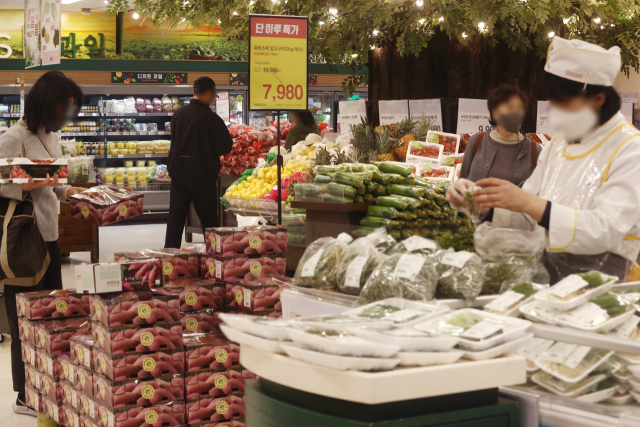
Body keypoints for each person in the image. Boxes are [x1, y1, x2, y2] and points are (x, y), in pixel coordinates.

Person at [448, 37, 640, 284]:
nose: (553, 110)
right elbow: (530, 215)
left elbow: (604, 229)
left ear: (598, 99)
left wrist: (529, 203)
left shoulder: (630, 148)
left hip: (603, 282)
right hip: (544, 273)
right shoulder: (558, 144)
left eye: (562, 101)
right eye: (551, 101)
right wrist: (481, 203)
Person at [0, 70, 85, 416]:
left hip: (49, 238)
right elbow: (2, 184)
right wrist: (28, 186)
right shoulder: (13, 137)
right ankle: (24, 394)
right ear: (47, 104)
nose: (67, 115)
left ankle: (47, 385)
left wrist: (72, 192)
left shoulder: (52, 136)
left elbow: (54, 183)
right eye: (65, 108)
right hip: (23, 241)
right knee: (24, 320)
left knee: (51, 317)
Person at [165, 77, 233, 248]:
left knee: (175, 217)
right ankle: (214, 256)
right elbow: (225, 146)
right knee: (209, 219)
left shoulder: (178, 114)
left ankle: (169, 257)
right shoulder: (210, 117)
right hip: (201, 174)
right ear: (210, 92)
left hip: (178, 173)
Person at [459, 83, 541, 186]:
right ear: (495, 112)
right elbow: (461, 184)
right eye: (509, 108)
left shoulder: (534, 150)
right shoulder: (476, 142)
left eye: (520, 108)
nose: (516, 113)